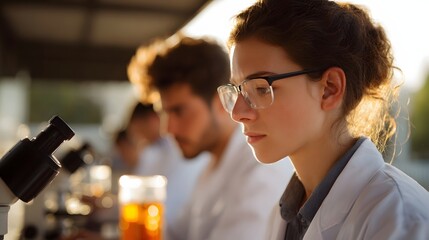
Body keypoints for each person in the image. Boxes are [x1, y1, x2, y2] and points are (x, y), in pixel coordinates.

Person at [216, 0, 429, 239]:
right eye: (237, 90)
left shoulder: (402, 221)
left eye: (261, 88)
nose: (237, 113)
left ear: (329, 88)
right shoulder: (285, 216)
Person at [128, 35, 294, 240]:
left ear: (220, 102)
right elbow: (174, 235)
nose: (167, 129)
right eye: (164, 113)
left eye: (179, 111)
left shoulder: (260, 168)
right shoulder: (212, 165)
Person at [124, 101, 209, 228]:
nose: (166, 129)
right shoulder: (154, 151)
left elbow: (168, 209)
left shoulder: (183, 149)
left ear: (152, 119)